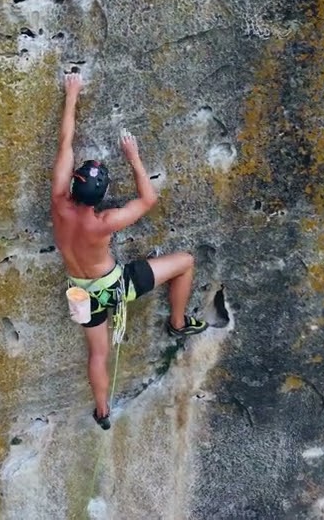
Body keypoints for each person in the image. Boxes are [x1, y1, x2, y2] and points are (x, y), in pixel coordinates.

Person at [49, 71, 207, 430]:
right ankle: (178, 323)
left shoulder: (58, 203)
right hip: (116, 288)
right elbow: (148, 199)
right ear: (102, 197)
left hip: (80, 294)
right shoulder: (103, 222)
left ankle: (103, 411)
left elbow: (65, 143)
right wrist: (134, 157)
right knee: (185, 262)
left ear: (73, 183)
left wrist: (72, 93)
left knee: (98, 353)